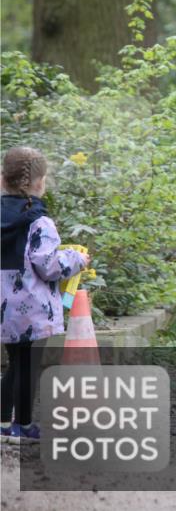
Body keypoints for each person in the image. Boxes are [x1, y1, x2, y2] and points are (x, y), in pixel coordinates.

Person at [1, 147, 90, 442]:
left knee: (14, 363)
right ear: (39, 183)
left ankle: (3, 423)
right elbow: (48, 266)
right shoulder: (40, 223)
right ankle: (23, 426)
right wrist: (76, 260)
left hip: (4, 307)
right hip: (32, 308)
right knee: (28, 367)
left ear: (4, 179)